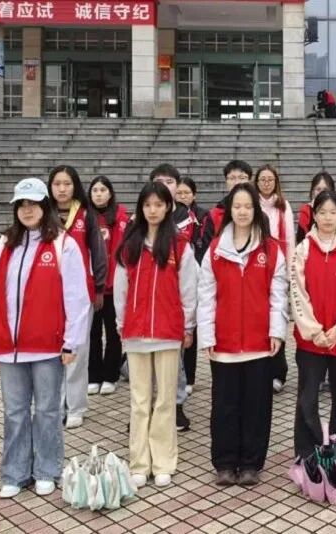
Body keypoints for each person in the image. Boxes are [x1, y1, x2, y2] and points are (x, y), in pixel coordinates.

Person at [0, 178, 90, 499]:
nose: (27, 209)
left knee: (47, 410)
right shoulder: (4, 244)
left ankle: (47, 469)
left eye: (33, 203)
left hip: (47, 345)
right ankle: (15, 473)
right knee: (14, 412)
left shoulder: (62, 244)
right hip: (10, 347)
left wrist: (72, 341)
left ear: (45, 206)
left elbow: (77, 296)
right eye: (21, 204)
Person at [197, 182, 288, 487]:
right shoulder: (215, 250)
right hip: (224, 343)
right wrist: (207, 336)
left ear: (256, 210)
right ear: (229, 210)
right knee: (225, 406)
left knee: (256, 407)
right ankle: (224, 463)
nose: (243, 211)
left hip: (259, 343)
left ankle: (251, 463)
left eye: (248, 206)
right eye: (237, 206)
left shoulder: (271, 249)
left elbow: (278, 295)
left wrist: (277, 331)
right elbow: (206, 296)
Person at [114, 182, 198, 488]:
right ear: (141, 208)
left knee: (164, 400)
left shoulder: (180, 246)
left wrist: (188, 326)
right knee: (139, 401)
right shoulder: (130, 246)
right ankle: (139, 462)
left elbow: (189, 289)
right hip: (136, 333)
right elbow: (121, 290)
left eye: (159, 205)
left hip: (167, 332)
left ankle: (163, 461)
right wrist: (121, 324)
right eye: (147, 205)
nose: (153, 210)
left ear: (168, 208)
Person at [290, 190, 336, 459]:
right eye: (322, 212)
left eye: (333, 212)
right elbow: (297, 293)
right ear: (314, 215)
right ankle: (306, 454)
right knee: (307, 398)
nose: (328, 218)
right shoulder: (303, 249)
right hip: (311, 340)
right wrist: (314, 331)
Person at [148, 164, 207, 432]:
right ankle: (146, 406)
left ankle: (176, 404)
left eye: (170, 181)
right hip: (146, 302)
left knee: (176, 360)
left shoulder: (187, 218)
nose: (164, 185)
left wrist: (190, 320)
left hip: (175, 297)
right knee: (146, 361)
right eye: (159, 180)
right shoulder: (142, 217)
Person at [48, 165, 107, 429]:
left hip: (81, 293)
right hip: (48, 293)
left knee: (77, 351)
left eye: (67, 184)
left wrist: (99, 288)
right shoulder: (43, 214)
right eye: (57, 184)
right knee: (52, 352)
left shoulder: (86, 214)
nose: (62, 189)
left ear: (75, 186)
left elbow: (98, 251)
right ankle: (56, 404)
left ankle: (76, 406)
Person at [254, 164, 295, 393]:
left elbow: (289, 239)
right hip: (257, 266)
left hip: (277, 265)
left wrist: (290, 272)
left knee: (277, 317)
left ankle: (279, 372)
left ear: (276, 182)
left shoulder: (283, 205)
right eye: (263, 179)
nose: (267, 183)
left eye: (270, 179)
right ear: (256, 182)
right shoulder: (252, 202)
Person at [87, 176, 129, 396]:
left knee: (113, 334)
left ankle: (110, 375)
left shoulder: (121, 217)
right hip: (91, 287)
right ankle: (93, 375)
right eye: (95, 190)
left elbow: (122, 252)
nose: (99, 194)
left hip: (113, 287)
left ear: (110, 193)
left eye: (103, 190)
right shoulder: (84, 217)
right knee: (92, 333)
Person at [174, 176, 212, 393]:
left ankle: (189, 377)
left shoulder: (202, 216)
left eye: (186, 193)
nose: (182, 196)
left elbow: (206, 243)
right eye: (179, 193)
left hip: (196, 273)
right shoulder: (169, 214)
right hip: (174, 272)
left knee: (191, 327)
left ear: (194, 195)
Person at [208, 160, 253, 236]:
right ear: (226, 181)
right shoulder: (214, 215)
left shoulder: (260, 212)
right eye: (232, 178)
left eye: (242, 178)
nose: (237, 183)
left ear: (249, 181)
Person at [296, 171, 336, 244]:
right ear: (313, 191)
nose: (321, 193)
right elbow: (300, 240)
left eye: (325, 190)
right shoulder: (306, 211)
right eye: (318, 189)